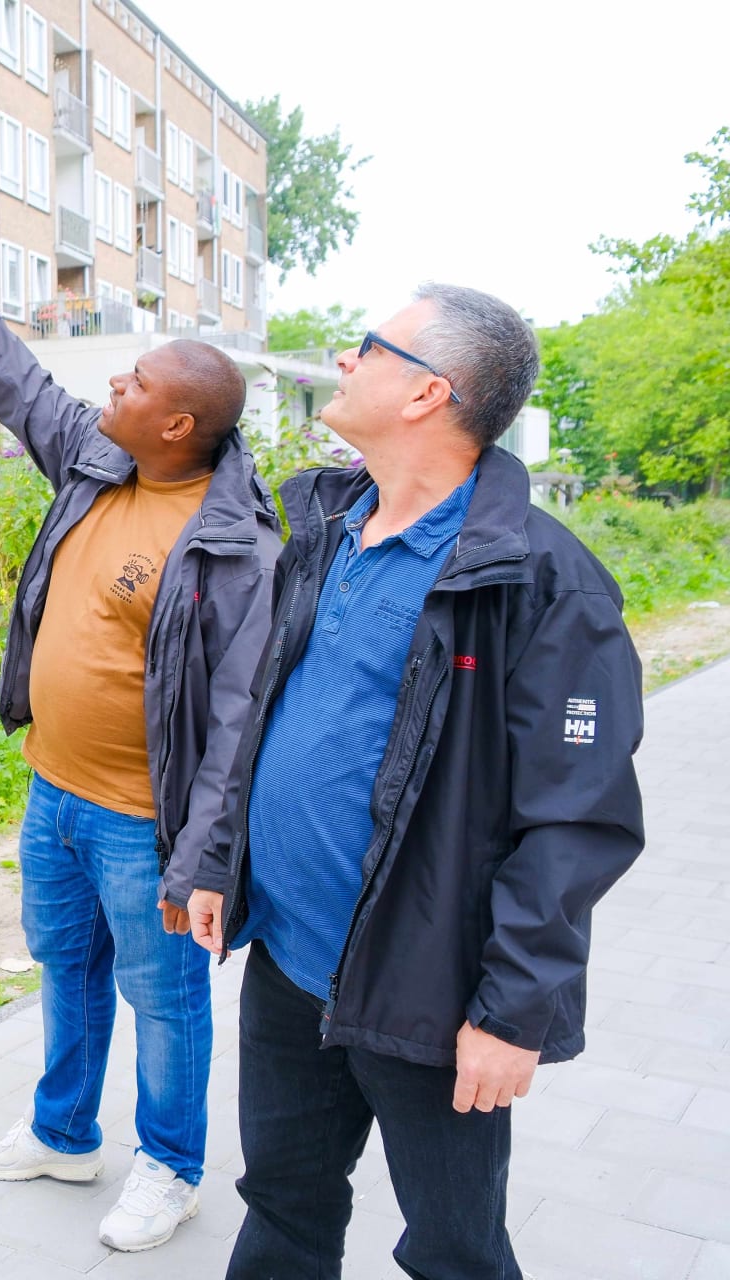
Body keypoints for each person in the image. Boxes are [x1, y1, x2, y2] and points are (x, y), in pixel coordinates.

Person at [181, 286, 646, 1279]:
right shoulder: (326, 526)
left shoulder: (540, 579)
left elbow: (576, 820)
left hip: (430, 988)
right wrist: (223, 857)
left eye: (365, 347)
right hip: (290, 963)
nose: (344, 362)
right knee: (281, 1207)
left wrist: (514, 1013)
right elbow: (267, 712)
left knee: (454, 1247)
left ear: (429, 392)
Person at [0, 180, 279, 1253]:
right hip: (54, 789)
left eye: (137, 379)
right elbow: (12, 379)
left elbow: (240, 719)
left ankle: (170, 1165)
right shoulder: (99, 458)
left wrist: (202, 857)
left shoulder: (240, 547)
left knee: (167, 1003)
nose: (114, 380)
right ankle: (64, 1131)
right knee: (66, 963)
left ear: (179, 421)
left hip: (140, 822)